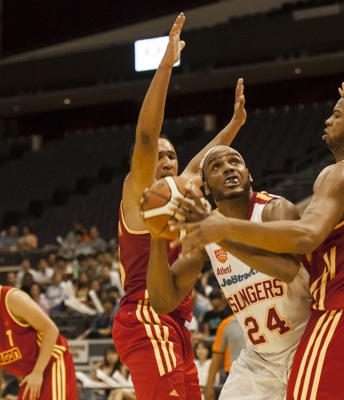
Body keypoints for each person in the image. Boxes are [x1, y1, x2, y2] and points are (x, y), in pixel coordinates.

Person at [174, 91, 344, 399]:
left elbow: (307, 235)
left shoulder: (338, 174)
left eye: (336, 115)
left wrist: (223, 227)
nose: (327, 119)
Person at [111, 12, 246, 400]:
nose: (168, 161)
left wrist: (235, 124)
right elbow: (147, 135)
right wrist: (166, 67)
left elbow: (201, 163)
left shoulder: (178, 190)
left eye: (173, 157)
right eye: (160, 157)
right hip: (144, 316)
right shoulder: (138, 195)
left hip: (174, 321)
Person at [148, 145, 312, 399]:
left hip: (306, 347)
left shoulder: (274, 209)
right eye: (216, 167)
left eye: (235, 162)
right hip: (260, 359)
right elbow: (163, 301)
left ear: (249, 174)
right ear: (206, 187)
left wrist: (222, 234)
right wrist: (156, 236)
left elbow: (288, 270)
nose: (227, 168)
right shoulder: (205, 234)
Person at [0, 248, 77, 400]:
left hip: (51, 363)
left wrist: (38, 372)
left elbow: (51, 330)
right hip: (29, 373)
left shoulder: (13, 299)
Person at [205, 315, 245, 400]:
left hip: (263, 375)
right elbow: (217, 356)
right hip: (233, 376)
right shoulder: (226, 324)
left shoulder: (265, 317)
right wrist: (209, 385)